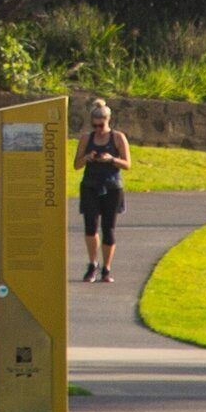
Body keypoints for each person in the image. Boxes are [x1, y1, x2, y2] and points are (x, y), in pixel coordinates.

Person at [75, 99, 132, 285]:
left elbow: (127, 164)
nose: (98, 129)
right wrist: (88, 157)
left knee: (109, 229)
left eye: (101, 125)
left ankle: (107, 268)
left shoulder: (117, 138)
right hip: (90, 185)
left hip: (112, 186)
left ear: (108, 121)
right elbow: (76, 164)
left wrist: (111, 159)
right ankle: (93, 264)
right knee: (90, 226)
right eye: (95, 125)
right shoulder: (86, 138)